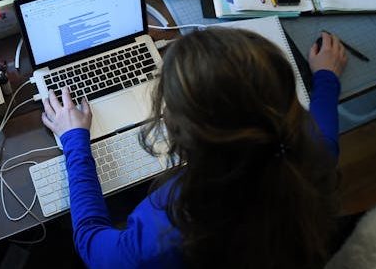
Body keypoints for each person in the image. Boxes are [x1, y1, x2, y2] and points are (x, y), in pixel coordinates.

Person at [41, 30, 346, 267]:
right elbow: (325, 136)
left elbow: (92, 244)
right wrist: (326, 77)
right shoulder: (310, 156)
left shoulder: (165, 232)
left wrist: (74, 140)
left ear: (185, 136)